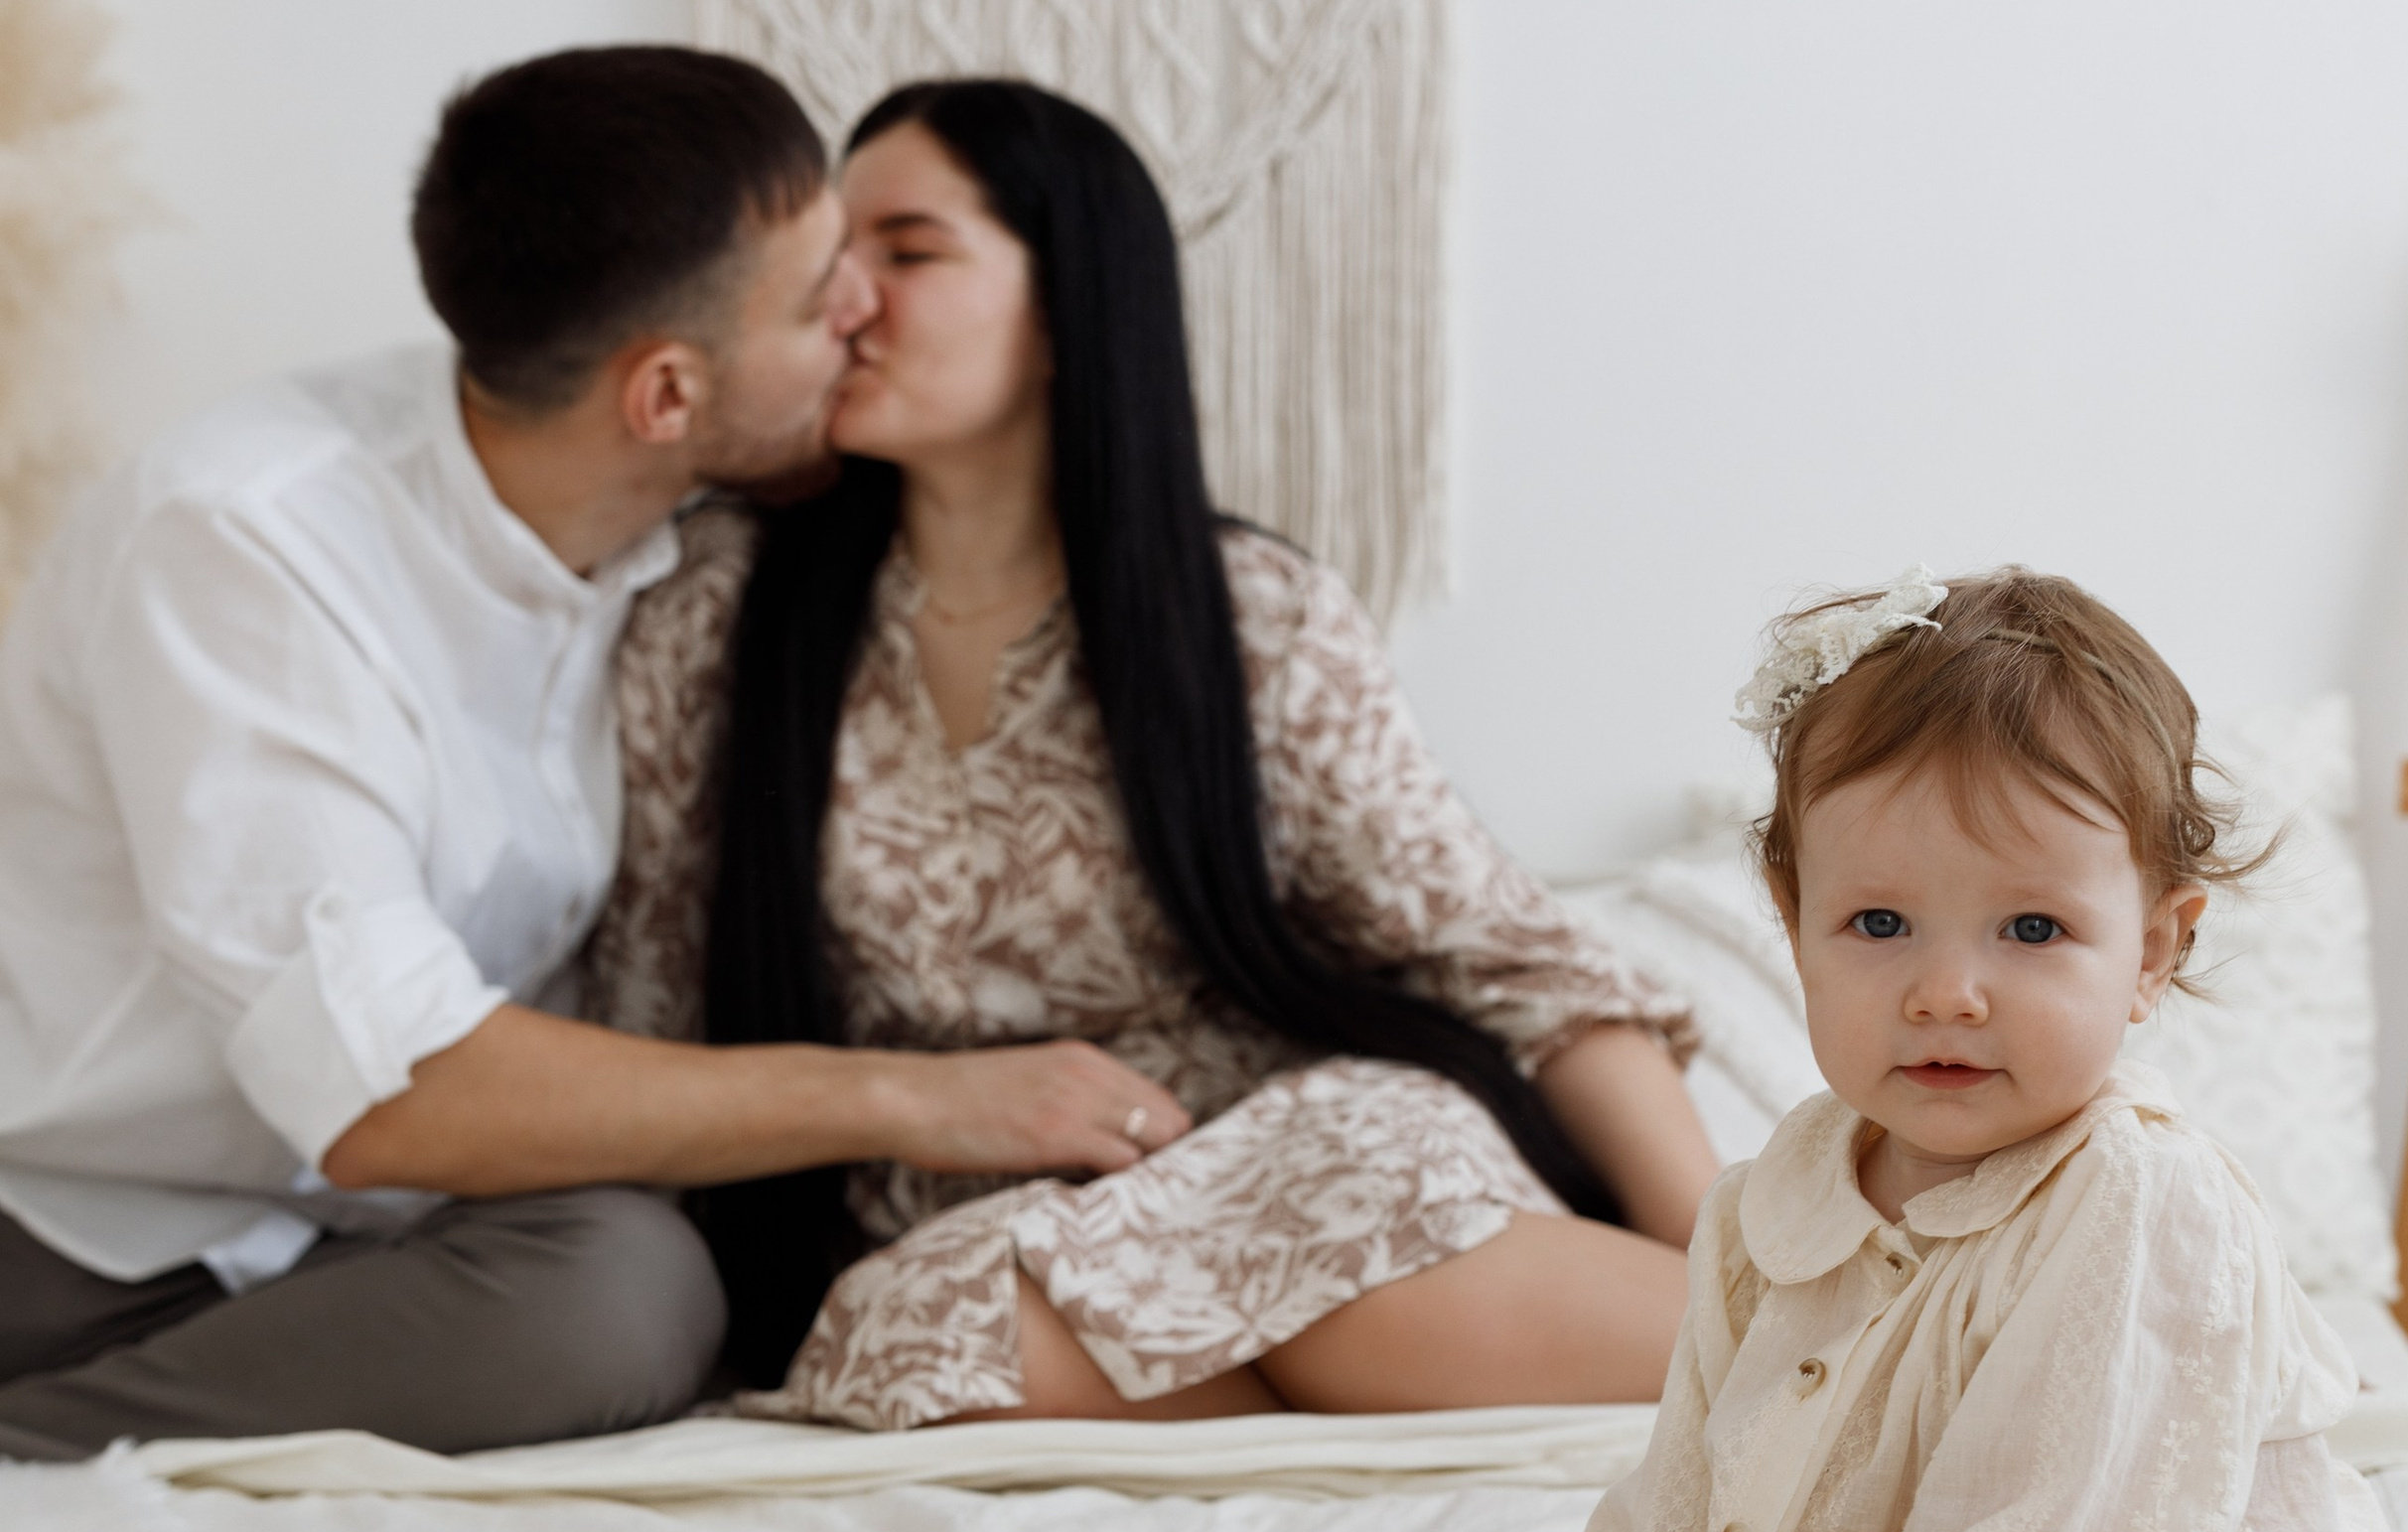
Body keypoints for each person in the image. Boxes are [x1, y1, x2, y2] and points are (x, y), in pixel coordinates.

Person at [943, 568, 2408, 1532]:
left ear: (2155, 948)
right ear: (1795, 916)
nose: (1947, 991)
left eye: (2030, 932)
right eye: (1882, 922)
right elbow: (1672, 1517)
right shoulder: (1774, 1199)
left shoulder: (2146, 1208)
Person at [0, 45, 1201, 1462]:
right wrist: (921, 1098)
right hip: (93, 1231)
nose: (870, 311)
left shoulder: (682, 530)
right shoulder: (245, 548)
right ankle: (39, 1439)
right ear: (667, 396)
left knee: (629, 1285)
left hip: (403, 1230)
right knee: (620, 1312)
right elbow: (395, 1096)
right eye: (825, 297)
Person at [589, 75, 1721, 1425]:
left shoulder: (1251, 620)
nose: (847, 299)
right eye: (837, 258)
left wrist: (1729, 1252)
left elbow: (1514, 964)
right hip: (960, 1237)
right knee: (938, 1340)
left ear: (1069, 304)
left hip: (1300, 1156)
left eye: (910, 251)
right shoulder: (710, 620)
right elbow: (650, 1025)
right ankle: (1437, 1365)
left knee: (1355, 1232)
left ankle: (1845, 1347)